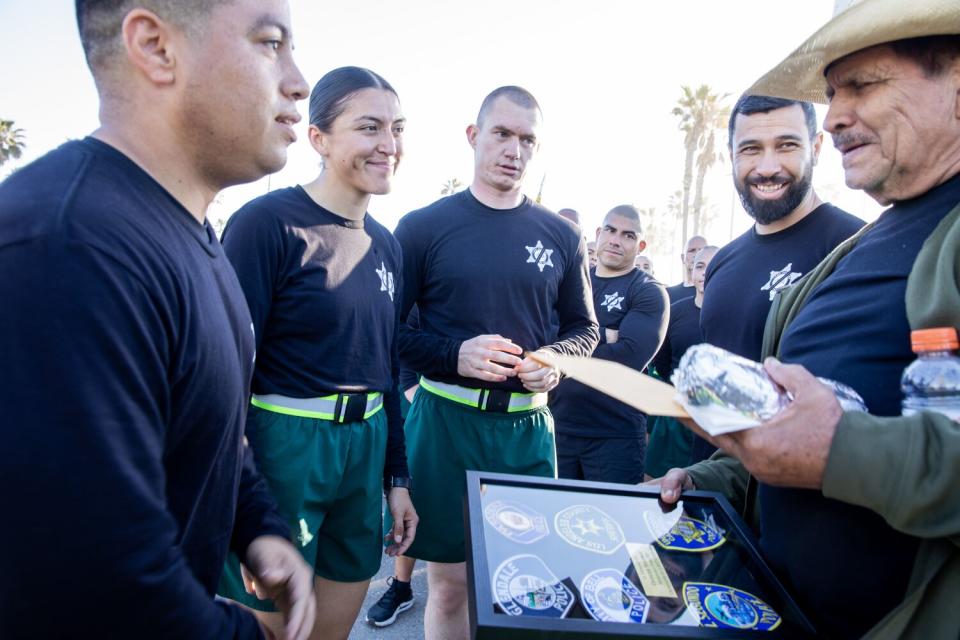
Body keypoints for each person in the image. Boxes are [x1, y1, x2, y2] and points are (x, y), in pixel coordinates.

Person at [0, 1, 316, 638]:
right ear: (154, 47)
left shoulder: (190, 232)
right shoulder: (69, 249)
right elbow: (100, 583)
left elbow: (204, 422)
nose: (298, 81)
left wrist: (257, 525)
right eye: (270, 42)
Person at [656, 2, 960, 637]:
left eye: (863, 85)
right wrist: (712, 475)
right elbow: (797, 432)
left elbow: (833, 443)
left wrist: (839, 451)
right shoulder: (863, 246)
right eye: (831, 93)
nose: (838, 116)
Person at [216, 67, 417, 640]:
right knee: (276, 632)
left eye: (397, 128)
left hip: (366, 448)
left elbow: (386, 368)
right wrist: (241, 508)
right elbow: (226, 375)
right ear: (320, 139)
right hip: (286, 447)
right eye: (369, 127)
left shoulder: (388, 246)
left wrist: (396, 478)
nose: (389, 145)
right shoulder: (267, 224)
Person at [393, 85, 599, 638]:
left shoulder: (562, 235)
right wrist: (452, 354)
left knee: (528, 589)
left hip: (526, 429)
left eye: (527, 139)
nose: (514, 149)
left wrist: (557, 359)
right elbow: (384, 329)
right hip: (445, 423)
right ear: (473, 136)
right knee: (451, 586)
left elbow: (586, 330)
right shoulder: (422, 227)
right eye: (502, 134)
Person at [699, 94, 863, 364]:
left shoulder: (854, 247)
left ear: (816, 148)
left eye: (786, 145)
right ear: (732, 155)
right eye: (750, 149)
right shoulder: (721, 262)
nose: (767, 168)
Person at [552, 205, 668, 483]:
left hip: (615, 436)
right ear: (598, 233)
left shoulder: (649, 291)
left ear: (640, 245)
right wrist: (606, 334)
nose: (616, 240)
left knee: (612, 522)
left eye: (628, 235)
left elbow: (628, 357)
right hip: (557, 428)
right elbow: (544, 334)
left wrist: (570, 341)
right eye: (610, 230)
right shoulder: (570, 282)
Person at [645, 245, 718, 478]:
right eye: (699, 266)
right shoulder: (675, 311)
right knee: (659, 481)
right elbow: (663, 360)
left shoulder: (733, 312)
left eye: (712, 266)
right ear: (692, 271)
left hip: (716, 417)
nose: (705, 273)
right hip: (675, 415)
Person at [665, 235, 706, 302]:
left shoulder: (714, 291)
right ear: (682, 258)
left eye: (701, 250)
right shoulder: (668, 294)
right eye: (692, 250)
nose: (697, 254)